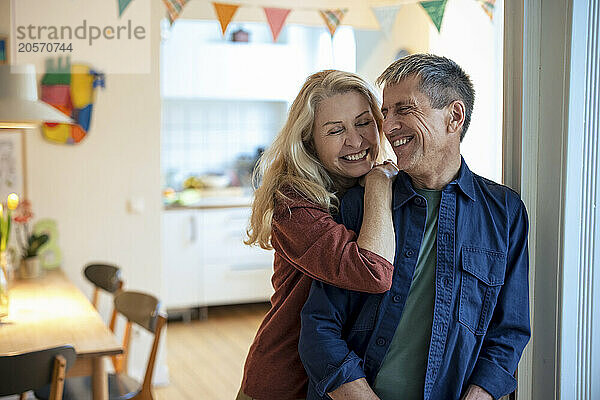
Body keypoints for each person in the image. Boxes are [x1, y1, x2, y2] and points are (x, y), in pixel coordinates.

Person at [299, 54, 531, 400]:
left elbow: (509, 331)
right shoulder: (360, 203)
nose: (387, 126)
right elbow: (319, 328)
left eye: (404, 109)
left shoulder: (505, 212)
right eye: (385, 113)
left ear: (454, 117)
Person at [237, 70, 400, 400]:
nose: (355, 140)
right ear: (310, 141)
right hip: (284, 381)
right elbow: (372, 272)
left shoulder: (360, 185)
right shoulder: (293, 203)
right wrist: (381, 184)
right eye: (336, 130)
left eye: (363, 122)